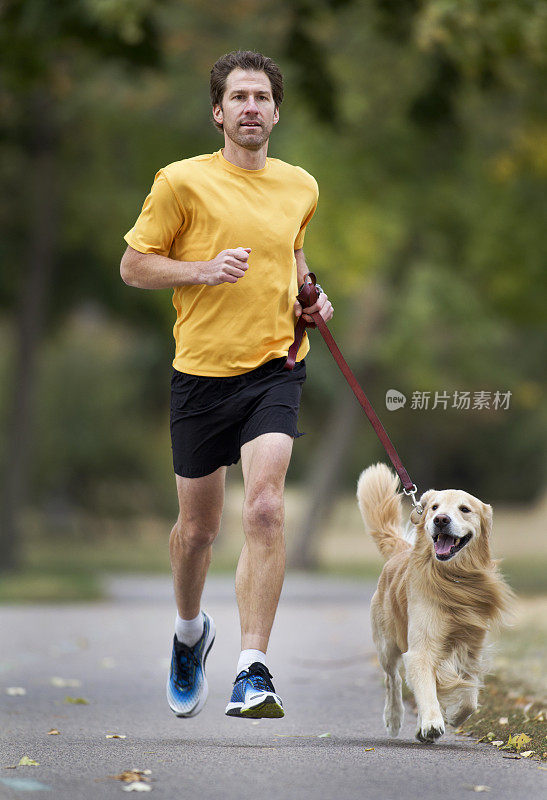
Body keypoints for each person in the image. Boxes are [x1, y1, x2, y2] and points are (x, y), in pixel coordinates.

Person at [120, 50, 333, 720]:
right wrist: (202, 270)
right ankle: (190, 634)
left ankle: (252, 669)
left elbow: (292, 254)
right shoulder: (179, 183)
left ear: (275, 110)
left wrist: (310, 296)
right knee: (196, 530)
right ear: (217, 111)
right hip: (199, 375)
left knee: (266, 509)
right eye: (238, 97)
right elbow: (133, 265)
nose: (250, 107)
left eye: (261, 97)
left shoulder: (300, 185)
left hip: (274, 366)